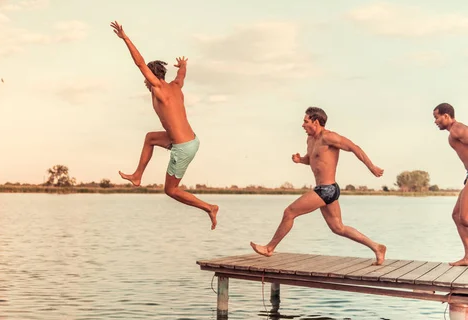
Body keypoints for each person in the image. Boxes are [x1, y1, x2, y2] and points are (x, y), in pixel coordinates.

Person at [110, 21, 219, 230]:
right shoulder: (175, 85)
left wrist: (125, 38)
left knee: (171, 190)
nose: (144, 81)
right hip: (189, 139)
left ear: (151, 77)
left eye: (146, 77)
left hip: (183, 147)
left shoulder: (158, 88)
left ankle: (209, 207)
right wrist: (183, 64)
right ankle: (137, 175)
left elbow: (140, 63)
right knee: (150, 137)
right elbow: (181, 74)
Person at [250, 106, 387, 265]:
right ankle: (377, 247)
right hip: (325, 190)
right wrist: (300, 159)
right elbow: (312, 159)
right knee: (338, 228)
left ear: (315, 121)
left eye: (305, 121)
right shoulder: (310, 140)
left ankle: (269, 248)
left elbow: (354, 148)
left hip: (327, 189)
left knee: (289, 212)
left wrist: (372, 167)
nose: (302, 125)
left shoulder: (329, 137)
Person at [433, 103, 468, 266]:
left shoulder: (457, 129)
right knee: (456, 216)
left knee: (465, 217)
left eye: (437, 117)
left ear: (446, 116)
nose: (435, 121)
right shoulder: (452, 135)